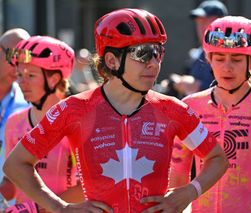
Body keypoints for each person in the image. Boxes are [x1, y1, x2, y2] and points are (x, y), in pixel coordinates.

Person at [3, 8, 228, 213]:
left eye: (158, 52)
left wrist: (189, 192)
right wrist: (60, 208)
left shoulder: (172, 109)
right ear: (111, 60)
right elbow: (15, 165)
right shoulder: (74, 109)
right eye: (142, 53)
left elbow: (218, 158)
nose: (153, 63)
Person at [169, 16, 251, 213]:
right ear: (208, 59)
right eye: (219, 58)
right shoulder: (190, 106)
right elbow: (177, 176)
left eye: (236, 59)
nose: (227, 67)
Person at [0, 35, 85, 212]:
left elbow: (89, 186)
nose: (21, 82)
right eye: (19, 75)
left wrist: (37, 208)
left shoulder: (79, 122)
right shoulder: (14, 122)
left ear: (54, 79)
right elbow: (12, 181)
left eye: (30, 75)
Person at [170, 0, 228, 98]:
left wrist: (198, 86)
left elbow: (235, 89)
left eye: (207, 21)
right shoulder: (197, 54)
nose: (201, 27)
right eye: (199, 22)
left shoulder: (233, 52)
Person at [0, 28, 30, 182]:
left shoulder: (30, 102)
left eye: (26, 60)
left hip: (12, 202)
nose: (19, 66)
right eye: (14, 56)